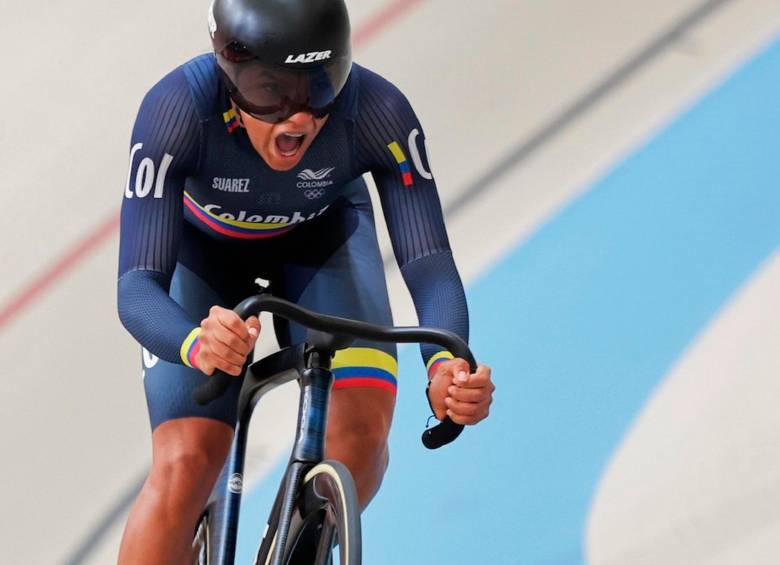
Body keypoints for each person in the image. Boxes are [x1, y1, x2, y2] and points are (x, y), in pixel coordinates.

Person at [116, 0, 495, 562]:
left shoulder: (378, 111)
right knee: (187, 461)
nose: (298, 117)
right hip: (203, 259)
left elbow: (429, 260)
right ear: (228, 74)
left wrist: (446, 366)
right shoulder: (175, 110)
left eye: (320, 86)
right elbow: (137, 287)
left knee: (361, 441)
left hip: (324, 237)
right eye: (271, 90)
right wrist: (194, 343)